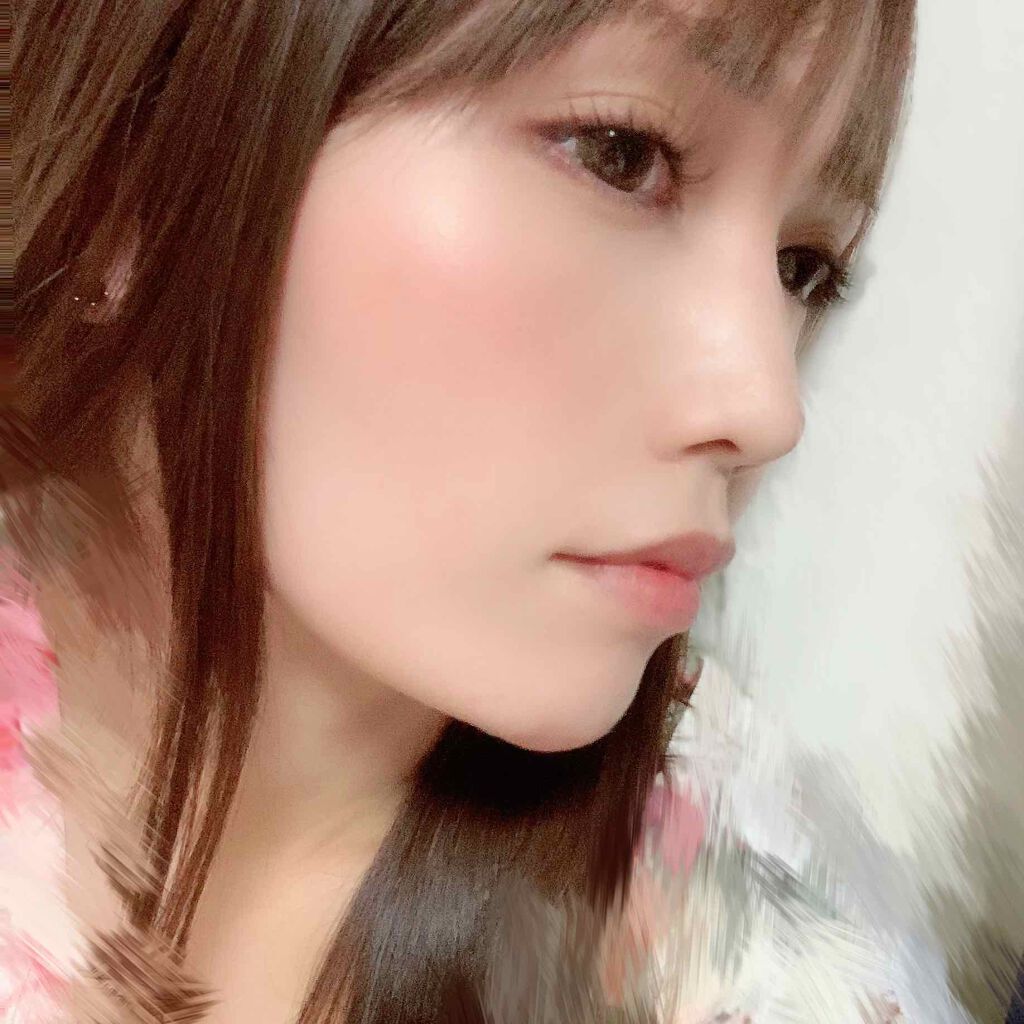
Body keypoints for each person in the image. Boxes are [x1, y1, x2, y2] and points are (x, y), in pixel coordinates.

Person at [4, 0, 916, 1020]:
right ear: (132, 177)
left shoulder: (760, 958)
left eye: (804, 268)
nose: (766, 406)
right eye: (621, 156)